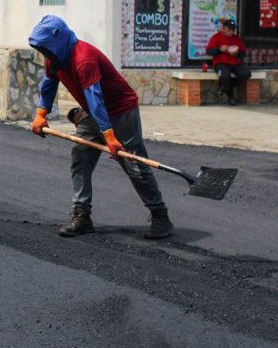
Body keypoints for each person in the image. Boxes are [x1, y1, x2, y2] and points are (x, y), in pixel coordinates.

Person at [28, 14, 173, 240]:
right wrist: (40, 114)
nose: (45, 53)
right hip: (93, 112)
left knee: (134, 165)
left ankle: (160, 215)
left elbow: (95, 98)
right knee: (81, 159)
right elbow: (49, 83)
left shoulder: (83, 58)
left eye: (46, 48)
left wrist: (110, 137)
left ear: (58, 39)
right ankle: (82, 216)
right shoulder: (55, 58)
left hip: (121, 112)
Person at [205, 18, 250, 106]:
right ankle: (231, 96)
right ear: (224, 28)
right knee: (225, 76)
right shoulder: (216, 37)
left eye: (233, 30)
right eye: (230, 30)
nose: (232, 32)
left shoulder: (237, 38)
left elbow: (243, 53)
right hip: (220, 63)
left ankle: (223, 86)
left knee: (246, 74)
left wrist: (237, 53)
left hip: (235, 63)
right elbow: (209, 51)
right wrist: (220, 49)